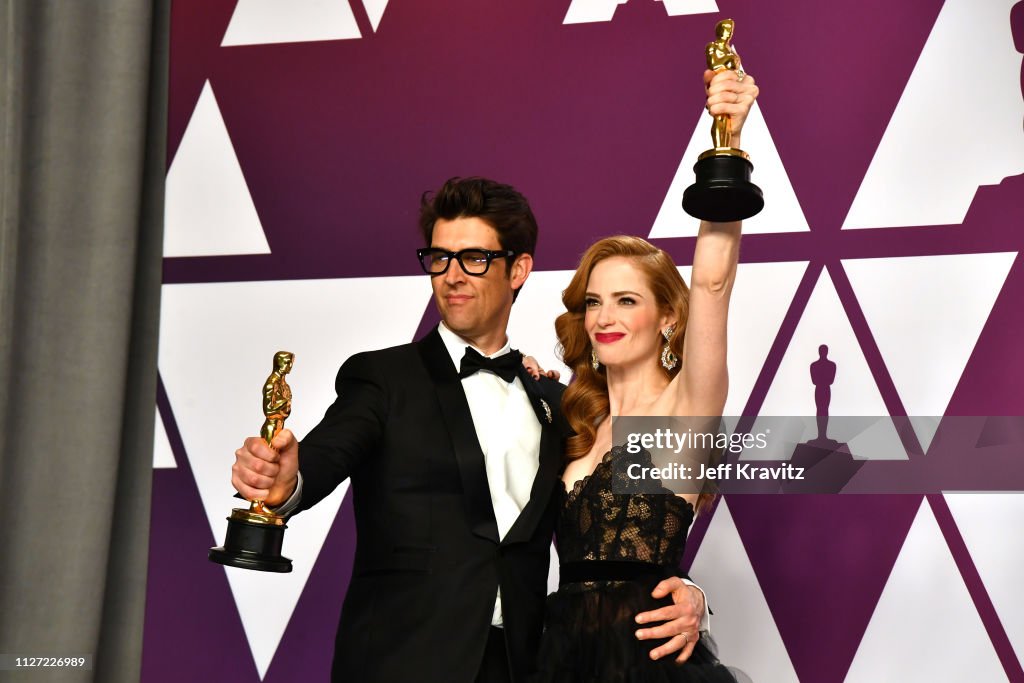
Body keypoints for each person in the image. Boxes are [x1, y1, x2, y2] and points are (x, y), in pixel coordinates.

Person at [229, 177, 708, 682]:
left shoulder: (561, 406)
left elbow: (616, 530)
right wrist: (286, 484)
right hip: (402, 665)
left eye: (474, 258)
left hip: (526, 668)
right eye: (439, 258)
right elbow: (324, 455)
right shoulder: (384, 379)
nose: (452, 275)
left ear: (519, 269)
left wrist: (691, 592)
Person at [531, 67, 757, 682]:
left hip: (648, 665)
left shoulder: (686, 410)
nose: (605, 317)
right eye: (595, 301)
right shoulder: (571, 418)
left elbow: (711, 282)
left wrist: (728, 139)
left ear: (666, 319)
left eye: (628, 300)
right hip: (559, 659)